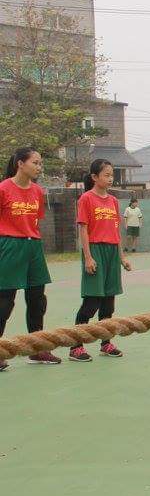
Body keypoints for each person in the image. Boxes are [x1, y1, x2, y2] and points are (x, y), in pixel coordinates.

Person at [0, 147, 58, 371]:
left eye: (40, 163)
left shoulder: (37, 191)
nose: (39, 167)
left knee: (37, 300)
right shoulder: (3, 189)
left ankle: (37, 349)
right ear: (20, 164)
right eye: (35, 162)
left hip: (33, 246)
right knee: (5, 301)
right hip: (9, 245)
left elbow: (35, 221)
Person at [69, 159, 132, 362]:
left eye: (112, 175)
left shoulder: (113, 201)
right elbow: (83, 229)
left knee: (108, 303)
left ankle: (106, 343)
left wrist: (122, 257)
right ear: (94, 177)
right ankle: (75, 346)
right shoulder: (86, 199)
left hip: (112, 252)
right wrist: (88, 257)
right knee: (91, 302)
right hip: (95, 250)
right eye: (106, 175)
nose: (110, 178)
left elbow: (116, 231)